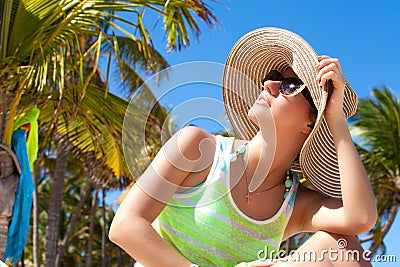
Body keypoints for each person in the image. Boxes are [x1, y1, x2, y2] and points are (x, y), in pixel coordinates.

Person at [109, 27, 377, 267]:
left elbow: (361, 218)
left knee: (344, 248)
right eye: (272, 77)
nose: (268, 85)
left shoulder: (296, 204)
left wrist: (335, 119)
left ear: (311, 122)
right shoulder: (197, 147)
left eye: (290, 85)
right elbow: (125, 226)